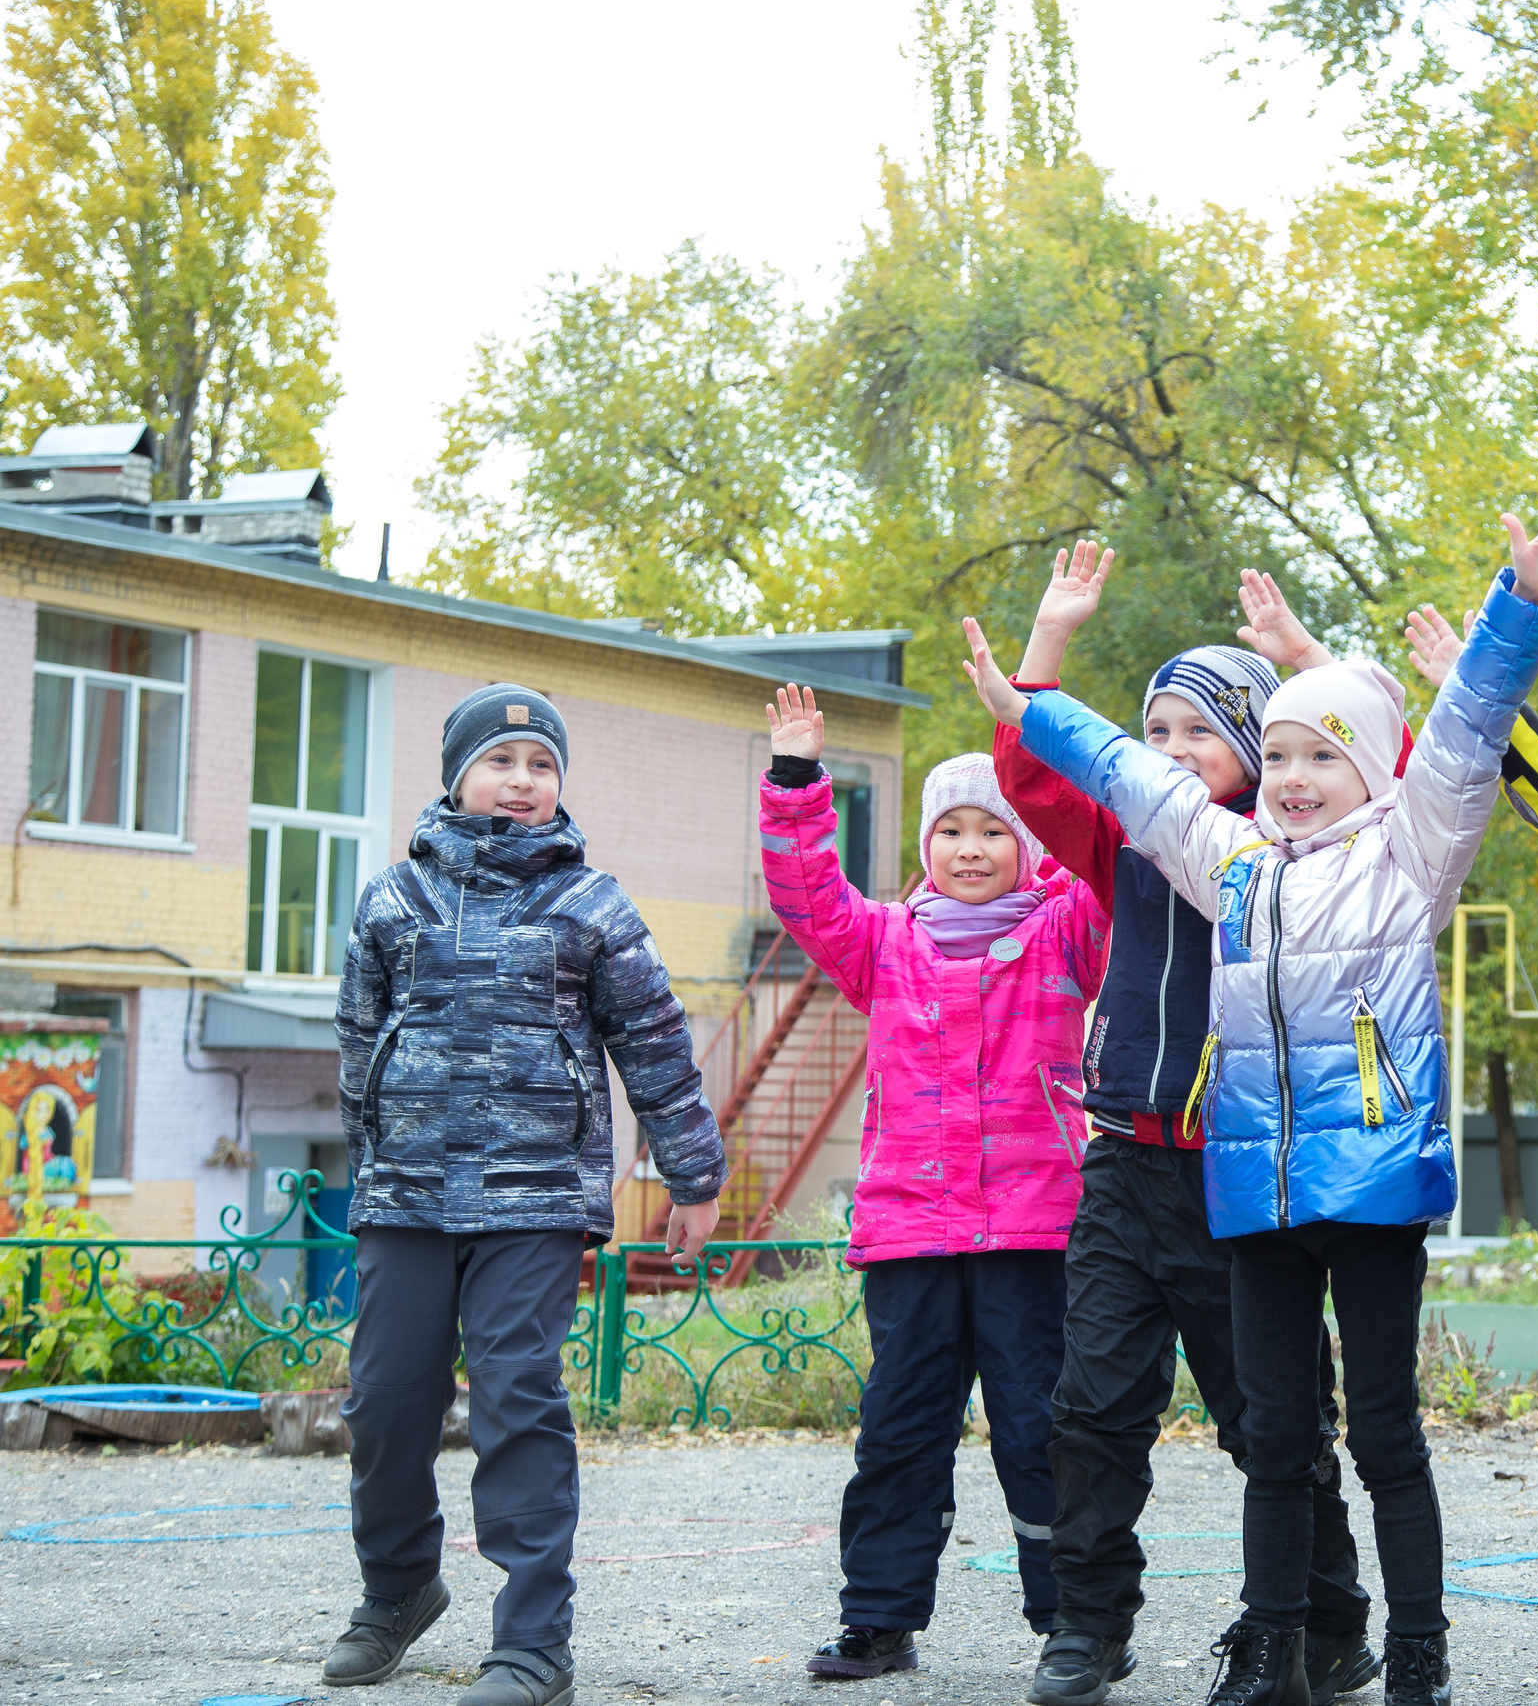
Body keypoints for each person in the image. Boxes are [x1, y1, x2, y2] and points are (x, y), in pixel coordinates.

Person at [963, 480, 1538, 1706]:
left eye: (1318, 756)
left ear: (1365, 771)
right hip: (1244, 1193)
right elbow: (1127, 776)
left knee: (1375, 1435)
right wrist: (1032, 705)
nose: (1293, 776)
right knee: (1261, 1437)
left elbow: (1467, 730)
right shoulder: (1234, 865)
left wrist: (1521, 603)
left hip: (1363, 1190)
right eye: (1280, 757)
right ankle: (1268, 1652)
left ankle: (1407, 1653)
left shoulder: (1407, 860)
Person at [989, 545, 1380, 1706]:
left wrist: (1309, 665)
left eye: (1195, 733)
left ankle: (1328, 1624)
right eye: (1152, 733)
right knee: (1091, 1411)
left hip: (1241, 1178)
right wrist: (1049, 640)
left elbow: (1388, 773)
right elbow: (1036, 771)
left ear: (1259, 751)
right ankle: (1088, 1628)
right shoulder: (1125, 845)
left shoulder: (1299, 856)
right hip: (1125, 1163)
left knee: (1274, 1425)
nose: (1166, 755)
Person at [324, 684, 727, 1706]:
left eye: (541, 766)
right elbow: (358, 1039)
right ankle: (399, 1590)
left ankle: (535, 1641)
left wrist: (692, 1173)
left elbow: (656, 1047)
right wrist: (379, 1154)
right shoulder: (390, 900)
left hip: (535, 1199)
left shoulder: (592, 905)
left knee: (517, 1403)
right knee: (385, 1406)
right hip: (406, 1197)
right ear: (458, 775)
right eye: (502, 763)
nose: (522, 781)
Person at [759, 706, 1109, 1682]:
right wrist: (794, 779)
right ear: (924, 846)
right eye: (950, 830)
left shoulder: (1064, 933)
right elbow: (804, 893)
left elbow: (1116, 864)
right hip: (910, 1236)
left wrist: (1053, 749)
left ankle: (1075, 1623)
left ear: (1029, 844)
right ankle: (879, 1618)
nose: (969, 848)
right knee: (900, 1434)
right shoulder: (881, 944)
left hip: (1033, 1236)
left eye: (994, 828)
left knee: (1042, 1434)